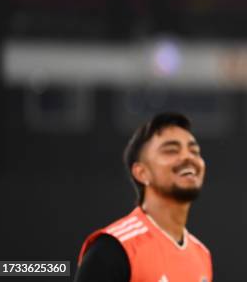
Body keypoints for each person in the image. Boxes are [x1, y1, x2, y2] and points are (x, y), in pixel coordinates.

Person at [75, 112, 212, 282]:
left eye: (194, 151)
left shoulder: (201, 255)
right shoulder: (114, 248)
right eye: (171, 150)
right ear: (141, 173)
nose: (188, 157)